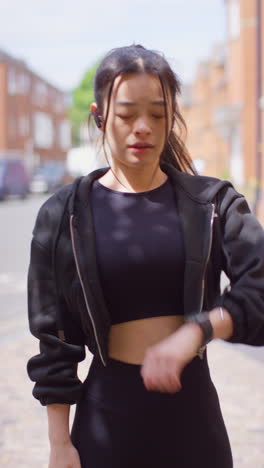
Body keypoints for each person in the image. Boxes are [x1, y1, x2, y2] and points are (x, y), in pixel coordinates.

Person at [27, 44, 264, 468]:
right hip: (105, 420)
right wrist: (59, 444)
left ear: (171, 117)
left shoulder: (212, 203)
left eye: (157, 114)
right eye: (127, 114)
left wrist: (200, 329)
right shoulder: (62, 215)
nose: (143, 128)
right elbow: (55, 340)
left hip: (193, 424)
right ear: (100, 116)